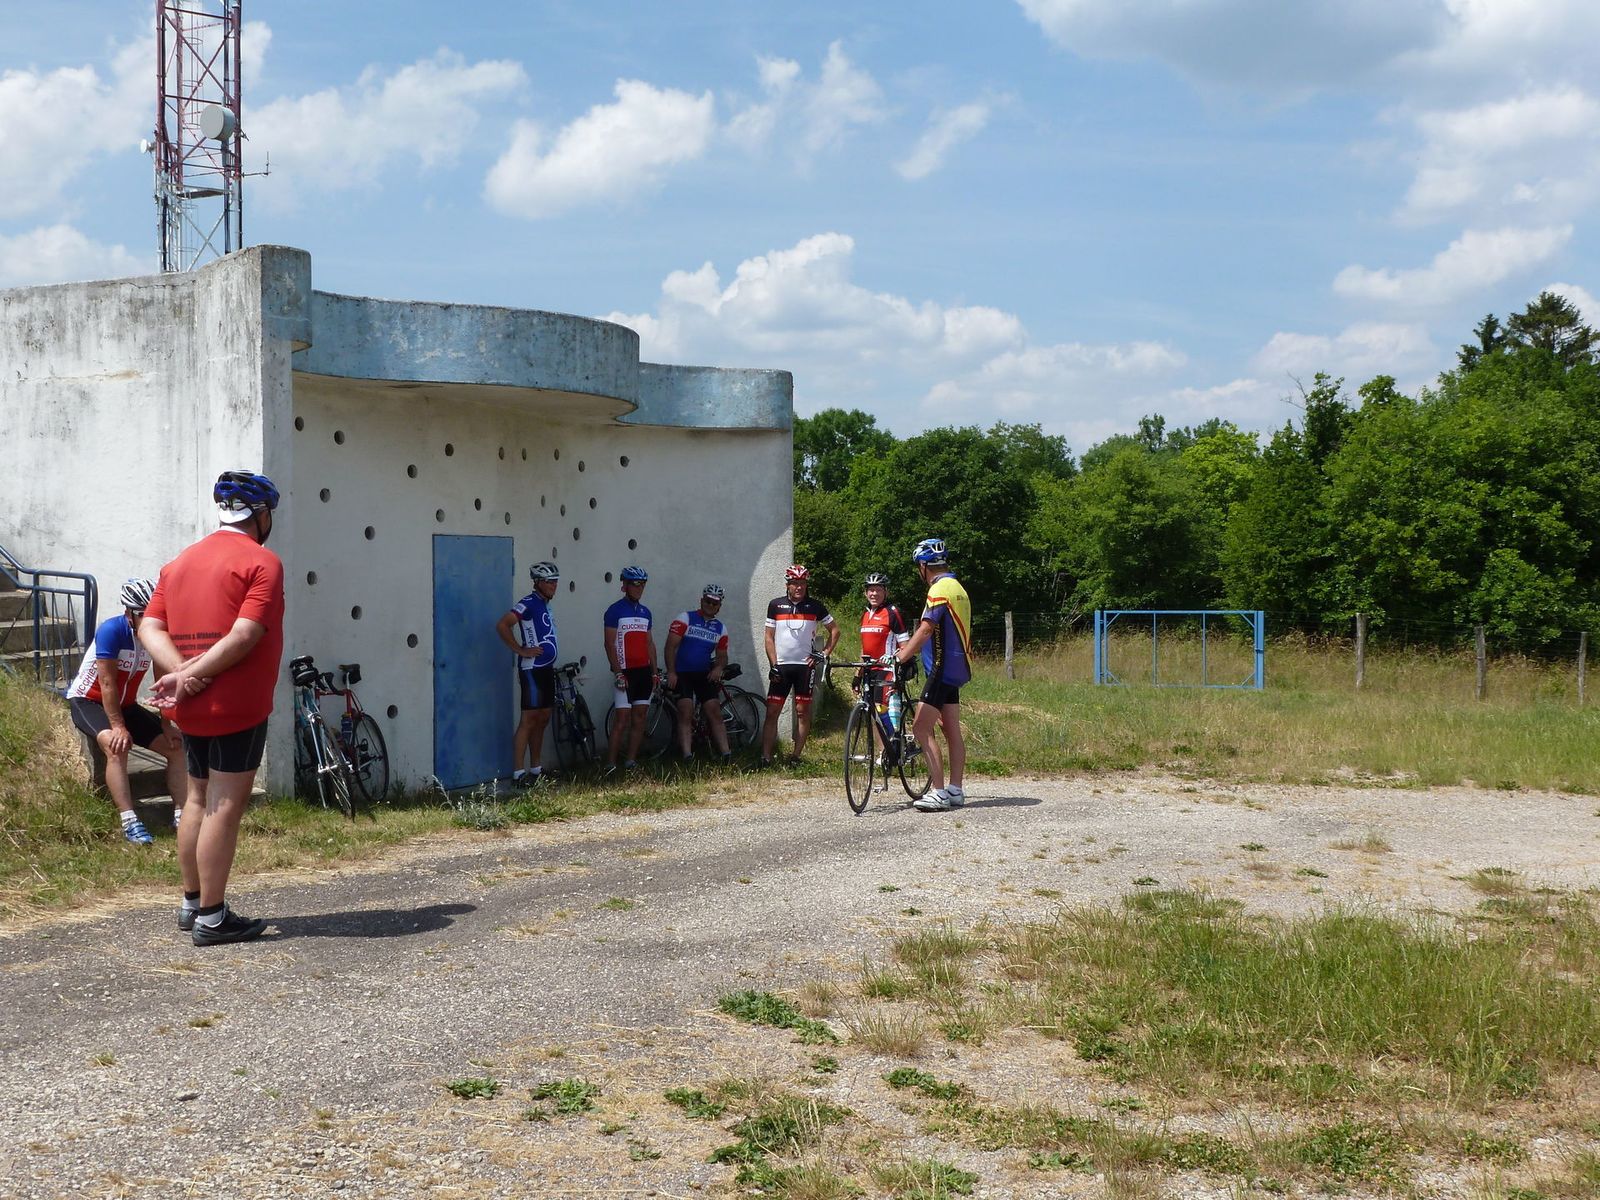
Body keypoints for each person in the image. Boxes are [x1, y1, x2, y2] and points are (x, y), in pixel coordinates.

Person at [141, 470, 284, 946]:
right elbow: (245, 635)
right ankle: (213, 917)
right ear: (260, 515)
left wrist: (182, 674)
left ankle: (192, 903)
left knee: (196, 801)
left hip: (190, 706)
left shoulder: (178, 563)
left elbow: (149, 627)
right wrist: (191, 674)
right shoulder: (262, 562)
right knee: (224, 805)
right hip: (237, 704)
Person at [66, 578, 188, 843]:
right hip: (89, 701)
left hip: (126, 705)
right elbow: (107, 684)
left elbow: (162, 678)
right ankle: (129, 820)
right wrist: (118, 726)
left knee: (176, 746)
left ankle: (183, 814)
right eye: (142, 613)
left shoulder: (156, 634)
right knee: (117, 746)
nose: (148, 619)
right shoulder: (112, 631)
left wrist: (167, 723)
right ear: (128, 613)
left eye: (153, 613)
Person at [887, 538, 971, 812]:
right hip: (958, 667)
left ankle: (939, 792)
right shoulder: (958, 588)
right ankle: (955, 789)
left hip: (941, 668)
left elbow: (925, 629)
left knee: (920, 728)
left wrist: (902, 656)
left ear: (923, 566)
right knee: (951, 730)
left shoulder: (939, 589)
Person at [759, 564, 838, 766]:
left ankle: (795, 757)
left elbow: (835, 631)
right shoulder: (775, 605)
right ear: (788, 585)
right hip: (782, 667)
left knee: (803, 712)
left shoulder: (815, 606)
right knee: (772, 712)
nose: (799, 587)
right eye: (795, 583)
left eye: (802, 583)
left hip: (805, 667)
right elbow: (768, 637)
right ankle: (765, 757)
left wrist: (824, 653)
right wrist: (773, 664)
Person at [496, 560, 560, 787]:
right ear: (538, 582)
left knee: (543, 718)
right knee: (529, 720)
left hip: (546, 669)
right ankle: (518, 773)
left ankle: (536, 769)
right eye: (549, 581)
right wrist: (520, 650)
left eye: (556, 581)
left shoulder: (545, 605)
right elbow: (503, 625)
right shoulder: (529, 603)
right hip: (532, 670)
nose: (554, 585)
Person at [664, 584, 731, 764]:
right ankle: (687, 755)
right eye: (708, 601)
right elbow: (670, 647)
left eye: (715, 603)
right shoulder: (685, 618)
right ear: (702, 600)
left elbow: (722, 656)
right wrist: (671, 672)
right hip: (682, 674)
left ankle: (726, 754)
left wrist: (718, 668)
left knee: (714, 711)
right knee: (685, 712)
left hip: (704, 675)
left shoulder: (721, 628)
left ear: (719, 606)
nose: (711, 605)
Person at [602, 565, 656, 775]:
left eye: (643, 584)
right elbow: (609, 644)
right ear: (624, 585)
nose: (639, 588)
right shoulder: (614, 610)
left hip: (643, 671)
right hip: (625, 672)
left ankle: (631, 761)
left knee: (640, 718)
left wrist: (654, 672)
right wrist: (617, 672)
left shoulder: (646, 612)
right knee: (622, 719)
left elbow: (649, 643)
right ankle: (610, 764)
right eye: (635, 584)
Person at [854, 571, 910, 764]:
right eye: (870, 590)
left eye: (878, 590)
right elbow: (865, 649)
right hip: (869, 670)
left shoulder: (892, 612)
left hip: (887, 670)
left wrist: (894, 657)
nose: (874, 594)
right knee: (872, 712)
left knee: (880, 707)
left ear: (886, 592)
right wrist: (857, 674)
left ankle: (896, 743)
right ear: (865, 593)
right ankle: (883, 753)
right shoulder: (865, 615)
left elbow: (906, 645)